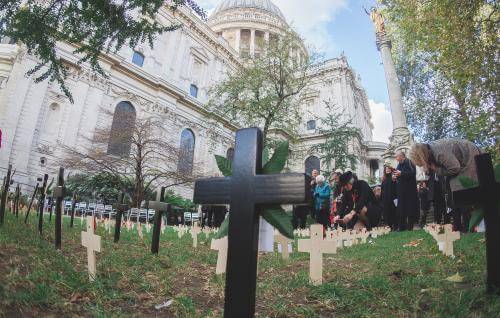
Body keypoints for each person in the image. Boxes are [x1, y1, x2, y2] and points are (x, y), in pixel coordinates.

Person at [409, 139, 481, 202]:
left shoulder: (439, 153)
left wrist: (437, 170)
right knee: (453, 189)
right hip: (463, 159)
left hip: (469, 157)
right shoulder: (430, 149)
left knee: (462, 190)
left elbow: (455, 168)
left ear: (422, 157)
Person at [393, 150, 419, 231]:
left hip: (410, 191)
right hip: (401, 192)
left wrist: (401, 174)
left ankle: (410, 227)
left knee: (410, 209)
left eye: (397, 156)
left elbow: (412, 173)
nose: (395, 158)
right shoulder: (398, 165)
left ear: (401, 156)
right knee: (401, 209)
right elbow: (398, 174)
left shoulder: (409, 162)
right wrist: (395, 176)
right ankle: (402, 227)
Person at [381, 162, 398, 230]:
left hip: (393, 199)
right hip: (386, 200)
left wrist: (394, 179)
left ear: (391, 169)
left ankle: (396, 226)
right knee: (387, 214)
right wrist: (382, 200)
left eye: (388, 168)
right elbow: (382, 190)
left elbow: (396, 188)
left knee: (394, 213)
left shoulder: (393, 177)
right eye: (386, 169)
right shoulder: (384, 179)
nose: (387, 170)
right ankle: (390, 227)